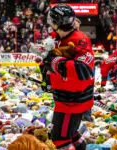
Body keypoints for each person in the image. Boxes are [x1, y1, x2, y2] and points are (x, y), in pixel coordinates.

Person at [42, 4, 94, 149]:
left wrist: (54, 62)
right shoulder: (56, 37)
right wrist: (46, 79)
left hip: (74, 100)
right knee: (70, 133)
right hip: (64, 97)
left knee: (59, 138)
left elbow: (83, 70)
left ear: (57, 23)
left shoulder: (81, 40)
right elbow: (49, 62)